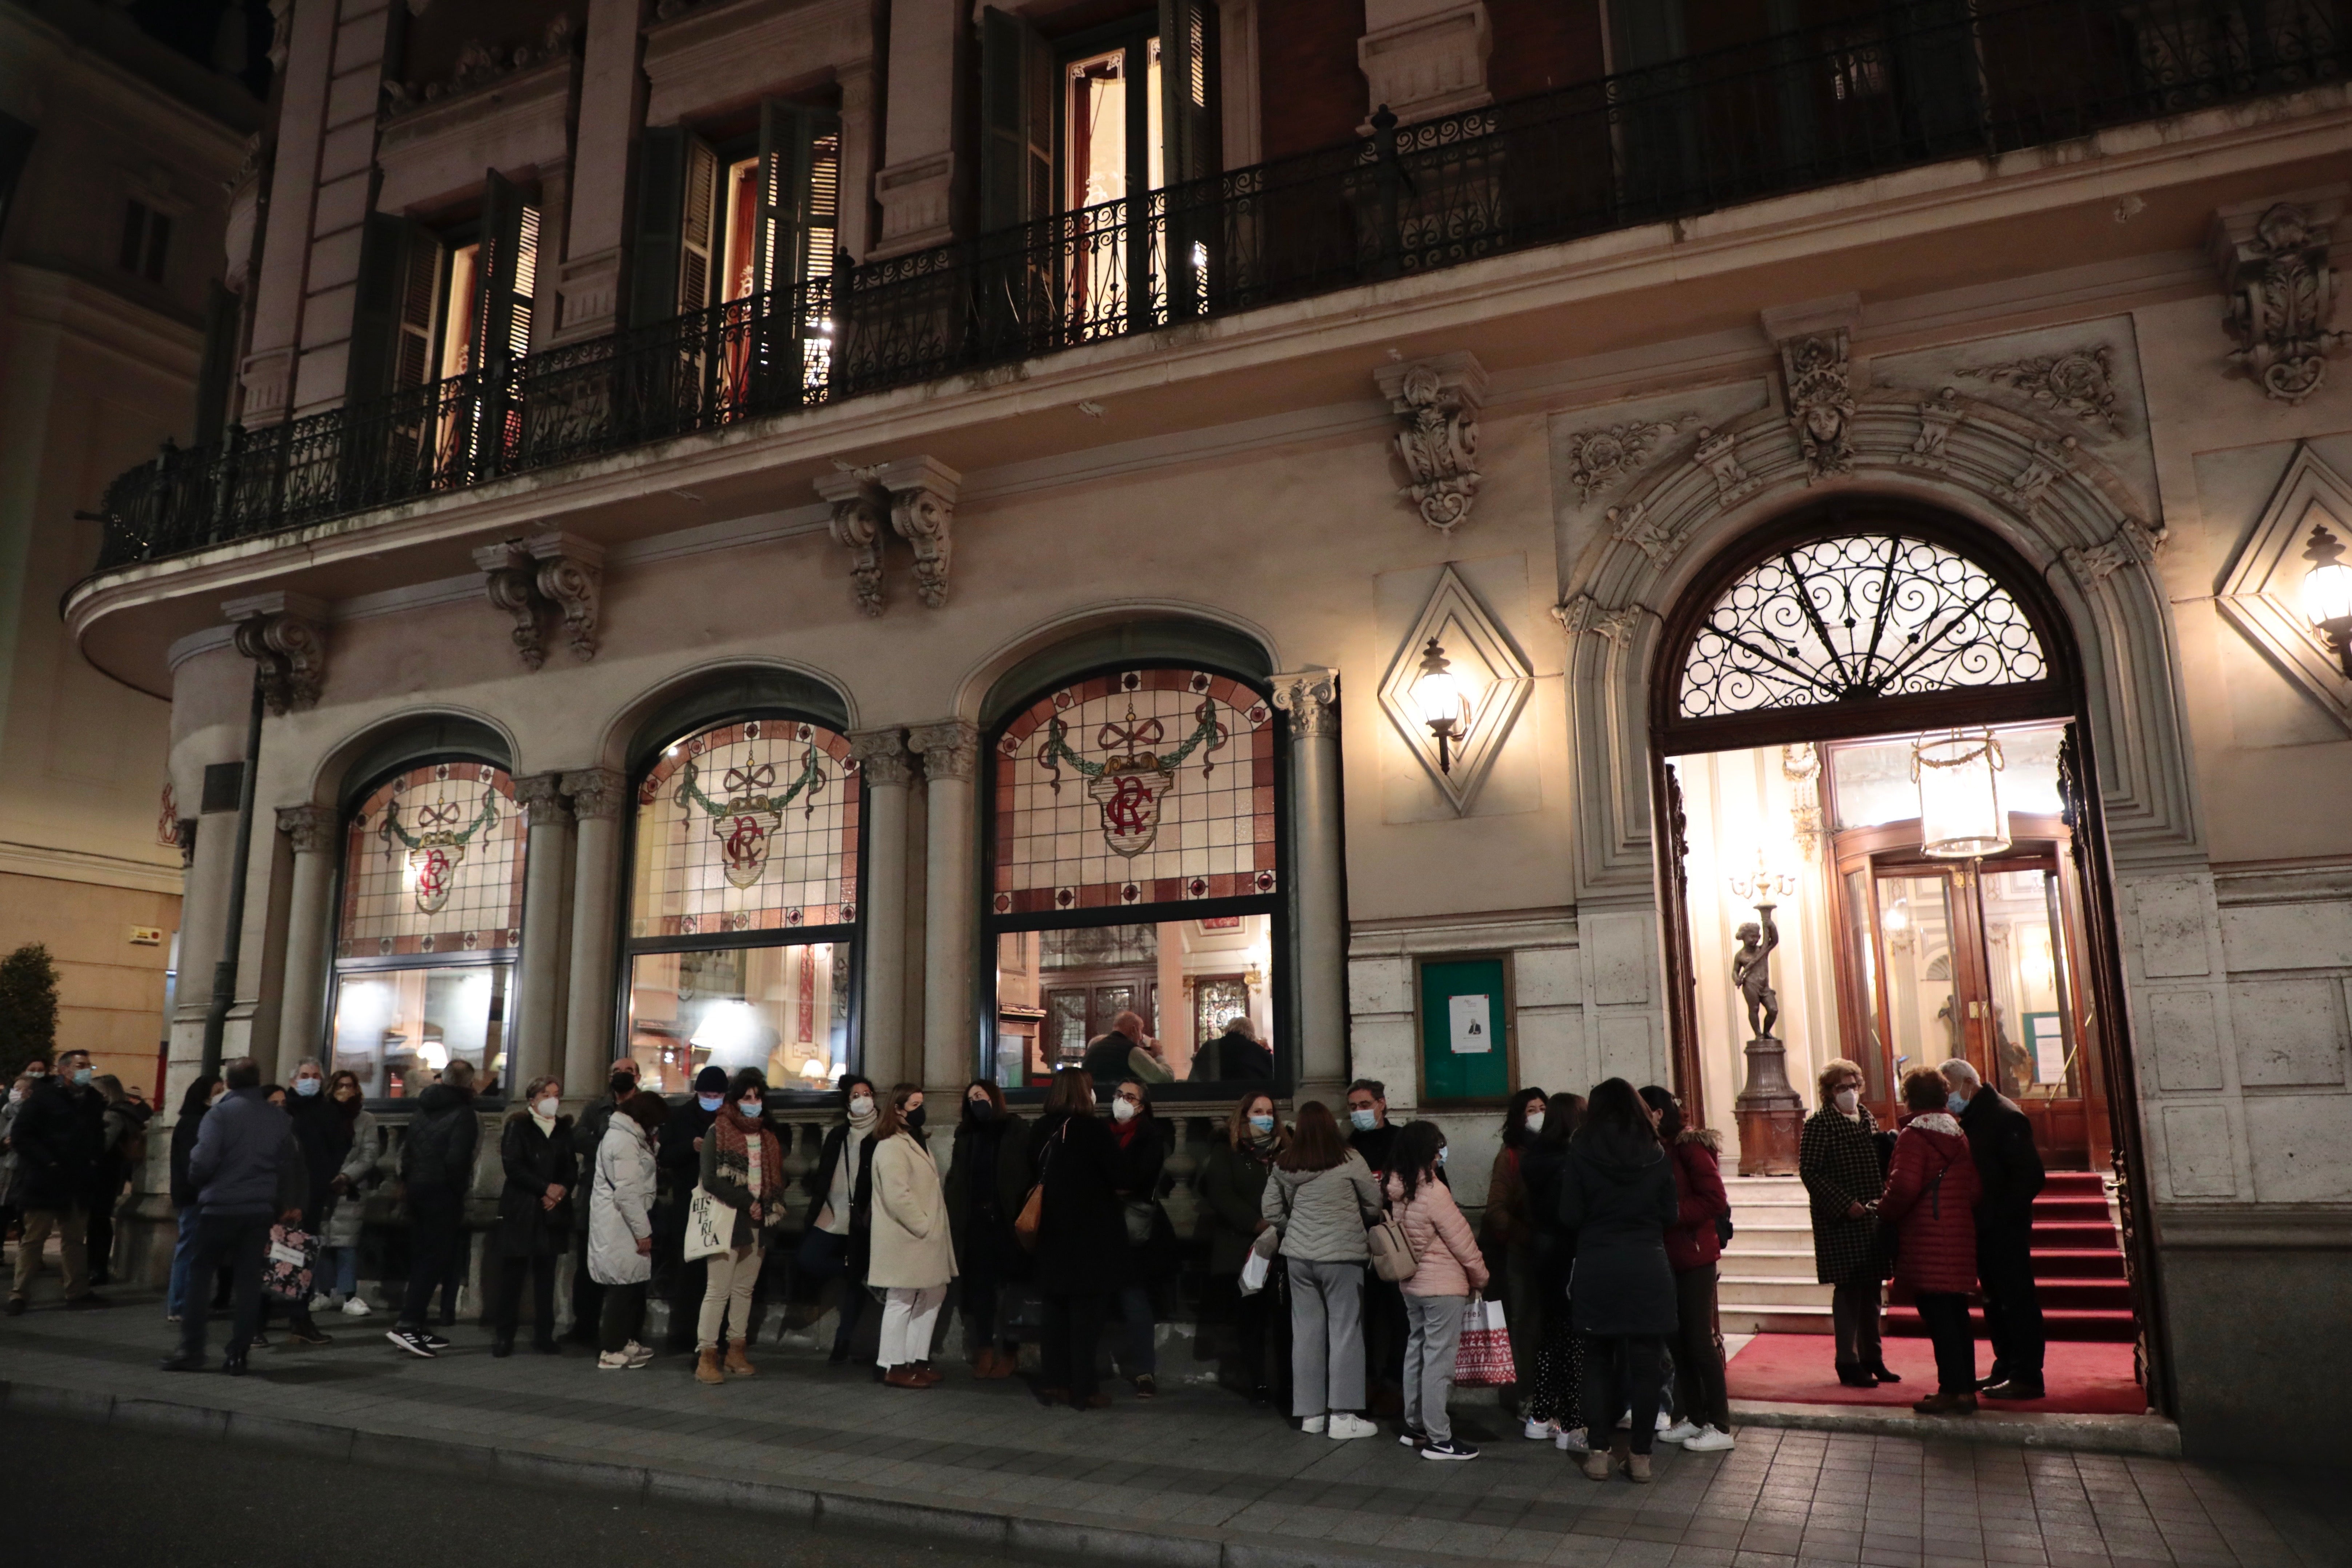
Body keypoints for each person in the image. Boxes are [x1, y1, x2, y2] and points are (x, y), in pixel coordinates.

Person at [1558, 1078, 1679, 1484]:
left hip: (1598, 1262)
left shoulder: (1581, 1149)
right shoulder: (1657, 1151)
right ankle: (1641, 1457)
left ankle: (1598, 1453)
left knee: (1596, 1359)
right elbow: (1671, 1214)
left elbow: (1570, 1213)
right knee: (1647, 1364)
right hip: (1648, 1263)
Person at [160, 1057, 303, 1374]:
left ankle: (192, 1349)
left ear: (230, 1082)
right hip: (258, 1209)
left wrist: (201, 1180)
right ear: (257, 1081)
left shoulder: (220, 1115)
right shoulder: (278, 1119)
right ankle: (238, 1353)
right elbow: (286, 1163)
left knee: (200, 1276)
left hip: (219, 1207)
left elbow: (202, 1161)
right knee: (249, 1282)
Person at [1262, 1099, 1384, 1440]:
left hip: (1299, 1258)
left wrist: (1296, 1225)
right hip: (1343, 1257)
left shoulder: (1287, 1163)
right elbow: (1374, 1203)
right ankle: (1343, 1417)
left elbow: (1271, 1209)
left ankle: (1312, 1415)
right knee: (1346, 1332)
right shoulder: (1350, 1159)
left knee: (1306, 1334)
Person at [1941, 1057, 2046, 1400]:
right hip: (1986, 1227)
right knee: (1995, 1301)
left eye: (1949, 1092)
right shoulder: (1974, 1116)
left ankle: (2027, 1375)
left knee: (2016, 1301)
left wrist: (1998, 1216)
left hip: (2005, 1228)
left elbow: (2030, 1177)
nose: (1948, 1102)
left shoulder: (2004, 1116)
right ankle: (2005, 1365)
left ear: (1967, 1083)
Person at [1880, 1068, 1983, 1416]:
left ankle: (1951, 1391)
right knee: (1957, 1316)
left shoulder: (1914, 1135)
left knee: (1940, 1319)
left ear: (1910, 1098)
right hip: (1957, 1236)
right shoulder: (1958, 1133)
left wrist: (1884, 1211)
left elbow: (1904, 1187)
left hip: (1926, 1237)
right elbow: (1973, 1190)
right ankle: (1965, 1390)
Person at [1385, 1120, 1489, 1460]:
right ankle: (1439, 1439)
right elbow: (1462, 1242)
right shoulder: (1434, 1191)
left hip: (1412, 1284)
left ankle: (1415, 1425)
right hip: (1442, 1285)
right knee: (1438, 1362)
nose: (1441, 1153)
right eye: (1438, 1146)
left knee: (1416, 1350)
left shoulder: (1397, 1187)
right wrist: (1481, 1277)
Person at [1640, 1085, 1734, 1452]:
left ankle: (1721, 1424)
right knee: (1677, 1339)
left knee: (1699, 1338)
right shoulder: (1656, 1150)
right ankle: (1695, 1417)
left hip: (1695, 1255)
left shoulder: (1689, 1147)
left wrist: (1672, 1216)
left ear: (1658, 1112)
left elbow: (1714, 1198)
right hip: (1667, 1256)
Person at [1027, 1068, 1125, 1409]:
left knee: (1054, 1312)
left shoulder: (1041, 1128)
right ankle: (1085, 1388)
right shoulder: (1091, 1129)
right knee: (1086, 1317)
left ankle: (1055, 1382)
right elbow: (1118, 1173)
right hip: (1089, 1235)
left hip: (1051, 1232)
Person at [1799, 1058, 1897, 1387]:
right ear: (1829, 1091)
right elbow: (1810, 1172)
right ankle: (1848, 1360)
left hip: (1871, 1215)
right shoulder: (1819, 1123)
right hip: (1840, 1220)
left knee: (1872, 1292)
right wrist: (1843, 1204)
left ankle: (1873, 1357)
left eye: (1854, 1086)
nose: (1850, 1092)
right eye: (1843, 1087)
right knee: (1849, 1293)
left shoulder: (1867, 1118)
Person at [693, 1068, 783, 1385]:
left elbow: (774, 1178)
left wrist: (768, 1205)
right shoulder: (719, 1131)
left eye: (758, 1097)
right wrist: (747, 1202)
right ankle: (707, 1355)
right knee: (718, 1290)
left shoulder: (767, 1136)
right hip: (730, 1218)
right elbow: (711, 1179)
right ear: (736, 1099)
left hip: (761, 1220)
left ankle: (736, 1350)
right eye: (747, 1097)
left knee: (744, 1289)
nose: (753, 1102)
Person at [1197, 1091, 1287, 1405]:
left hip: (1283, 1248)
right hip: (1244, 1248)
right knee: (1251, 1320)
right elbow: (1221, 1195)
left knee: (1282, 1319)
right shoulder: (1228, 1151)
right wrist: (1257, 1224)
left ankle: (1288, 1385)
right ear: (1244, 1116)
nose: (1265, 1117)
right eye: (1257, 1111)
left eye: (1269, 1111)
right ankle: (1258, 1382)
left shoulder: (1284, 1151)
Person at [387, 1058, 480, 1358]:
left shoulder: (422, 1109)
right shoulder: (463, 1114)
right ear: (468, 1083)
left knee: (422, 1258)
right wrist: (458, 1191)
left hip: (417, 1189)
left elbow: (409, 1152)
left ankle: (414, 1324)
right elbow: (457, 1160)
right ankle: (408, 1324)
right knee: (433, 1260)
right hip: (442, 1194)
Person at [6, 1048, 108, 1314]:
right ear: (64, 1069)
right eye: (81, 1065)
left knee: (74, 1239)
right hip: (45, 1180)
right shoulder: (44, 1098)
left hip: (78, 1181)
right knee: (34, 1240)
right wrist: (48, 1162)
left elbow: (97, 1136)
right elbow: (22, 1135)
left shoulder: (93, 1100)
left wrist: (94, 1161)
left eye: (89, 1065)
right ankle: (19, 1294)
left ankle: (77, 1291)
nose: (87, 1070)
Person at [868, 1082, 955, 1388]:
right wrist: (923, 1225)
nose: (921, 1111)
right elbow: (898, 1196)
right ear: (898, 1109)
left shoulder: (915, 1141)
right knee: (901, 1298)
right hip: (906, 1237)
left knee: (933, 1293)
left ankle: (915, 1358)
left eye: (921, 1104)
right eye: (915, 1105)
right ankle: (891, 1364)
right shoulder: (891, 1145)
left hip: (924, 1238)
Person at [258, 1059, 344, 1347]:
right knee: (272, 1261)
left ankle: (301, 1320)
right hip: (280, 1200)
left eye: (316, 1076)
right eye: (305, 1076)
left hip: (312, 1197)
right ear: (294, 1080)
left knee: (303, 1260)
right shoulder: (283, 1113)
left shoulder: (329, 1112)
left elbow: (335, 1151)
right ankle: (257, 1322)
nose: (311, 1080)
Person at [944, 1079, 1026, 1378]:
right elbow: (957, 1180)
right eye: (971, 1098)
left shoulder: (1014, 1129)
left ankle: (1011, 1351)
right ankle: (985, 1348)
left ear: (994, 1097)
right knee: (980, 1290)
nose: (976, 1101)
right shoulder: (966, 1135)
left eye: (980, 1095)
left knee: (1011, 1288)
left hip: (1006, 1222)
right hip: (977, 1223)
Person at [1520, 1092, 1587, 1451]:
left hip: (1543, 1252)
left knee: (1550, 1337)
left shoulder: (1534, 1159)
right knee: (1573, 1341)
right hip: (1570, 1254)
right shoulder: (1572, 1161)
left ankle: (1541, 1415)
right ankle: (1571, 1423)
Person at [489, 1075, 575, 1357]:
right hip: (522, 1209)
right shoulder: (519, 1126)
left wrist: (560, 1191)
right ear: (533, 1099)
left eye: (557, 1094)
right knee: (513, 1276)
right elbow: (514, 1166)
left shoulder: (562, 1130)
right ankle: (504, 1335)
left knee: (546, 1276)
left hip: (552, 1212)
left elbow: (570, 1167)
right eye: (547, 1094)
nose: (553, 1099)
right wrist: (544, 1188)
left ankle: (544, 1334)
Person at [1481, 1086, 1547, 1428]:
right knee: (1525, 1327)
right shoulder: (1509, 1156)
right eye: (1530, 1110)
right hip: (1522, 1256)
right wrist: (1527, 1236)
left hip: (1551, 1257)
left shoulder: (1557, 1151)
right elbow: (1496, 1209)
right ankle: (1526, 1396)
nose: (1538, 1115)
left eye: (1542, 1108)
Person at [800, 1072, 878, 1364]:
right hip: (833, 1212)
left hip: (864, 1216)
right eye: (856, 1095)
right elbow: (825, 1174)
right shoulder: (838, 1134)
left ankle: (843, 1340)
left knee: (856, 1286)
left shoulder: (883, 1132)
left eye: (867, 1093)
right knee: (809, 1258)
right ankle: (851, 1268)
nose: (863, 1099)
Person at [1105, 1077, 1175, 1397]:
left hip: (1134, 1229)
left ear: (1141, 1106)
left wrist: (1113, 1183)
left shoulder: (1151, 1136)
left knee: (1135, 1299)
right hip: (1102, 1224)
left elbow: (1138, 1177)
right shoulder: (1101, 1132)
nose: (1122, 1101)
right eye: (1119, 1094)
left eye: (1130, 1097)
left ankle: (1144, 1371)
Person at [588, 1090, 665, 1370]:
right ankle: (611, 1349)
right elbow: (628, 1192)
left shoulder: (630, 1138)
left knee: (631, 1284)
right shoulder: (622, 1140)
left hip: (626, 1222)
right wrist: (643, 1232)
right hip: (620, 1224)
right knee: (621, 1286)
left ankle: (624, 1341)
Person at [565, 1059, 639, 1345]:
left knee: (631, 1268)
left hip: (630, 1198)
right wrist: (612, 1150)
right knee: (588, 1267)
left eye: (627, 1072)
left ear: (638, 1077)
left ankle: (628, 1330)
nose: (621, 1077)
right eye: (616, 1073)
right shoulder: (596, 1109)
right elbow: (580, 1137)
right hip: (594, 1196)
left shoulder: (644, 1107)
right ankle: (585, 1326)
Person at [1344, 1078, 1406, 1416]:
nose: (1359, 1113)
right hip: (1358, 1243)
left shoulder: (1400, 1142)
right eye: (1353, 1108)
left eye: (1365, 1105)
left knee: (1402, 1319)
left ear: (1382, 1104)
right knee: (1361, 1319)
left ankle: (1394, 1384)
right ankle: (1366, 1382)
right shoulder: (1348, 1147)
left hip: (1397, 1244)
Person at [658, 1065, 728, 1352]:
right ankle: (683, 1333)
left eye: (718, 1095)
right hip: (689, 1203)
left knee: (718, 1271)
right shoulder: (681, 1117)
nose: (712, 1099)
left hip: (721, 1202)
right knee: (688, 1271)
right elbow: (665, 1155)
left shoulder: (729, 1118)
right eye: (707, 1094)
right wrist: (691, 1147)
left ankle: (715, 1335)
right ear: (698, 1093)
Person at [320, 1069, 386, 1314]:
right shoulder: (324, 1116)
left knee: (346, 1243)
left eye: (350, 1086)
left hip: (350, 1188)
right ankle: (323, 1292)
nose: (345, 1091)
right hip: (324, 1185)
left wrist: (346, 1176)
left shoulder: (366, 1119)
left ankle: (349, 1296)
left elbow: (369, 1153)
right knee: (323, 1242)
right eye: (340, 1086)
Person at [163, 1074, 222, 1323]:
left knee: (194, 1250)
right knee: (189, 1250)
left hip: (197, 1195)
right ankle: (180, 1305)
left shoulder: (201, 1121)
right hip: (194, 1196)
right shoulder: (193, 1123)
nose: (222, 1096)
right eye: (218, 1091)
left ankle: (187, 1303)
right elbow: (194, 1164)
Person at [87, 1075, 149, 1287]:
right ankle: (97, 1266)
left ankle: (97, 1268)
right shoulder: (127, 1112)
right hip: (113, 1172)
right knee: (100, 1220)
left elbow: (102, 1145)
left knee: (98, 1220)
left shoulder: (114, 1115)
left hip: (105, 1173)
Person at [1080, 1011, 1154, 1089]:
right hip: (1120, 1099)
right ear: (1134, 1030)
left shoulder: (1092, 1049)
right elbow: (1161, 1078)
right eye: (1140, 1031)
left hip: (1092, 1099)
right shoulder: (1131, 1050)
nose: (1141, 1038)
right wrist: (1159, 1055)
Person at [1189, 1014, 1273, 1081]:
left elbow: (1195, 1078)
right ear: (1251, 1031)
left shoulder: (1210, 1047)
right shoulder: (1256, 1050)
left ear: (1229, 1028)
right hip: (1246, 1098)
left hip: (1212, 1098)